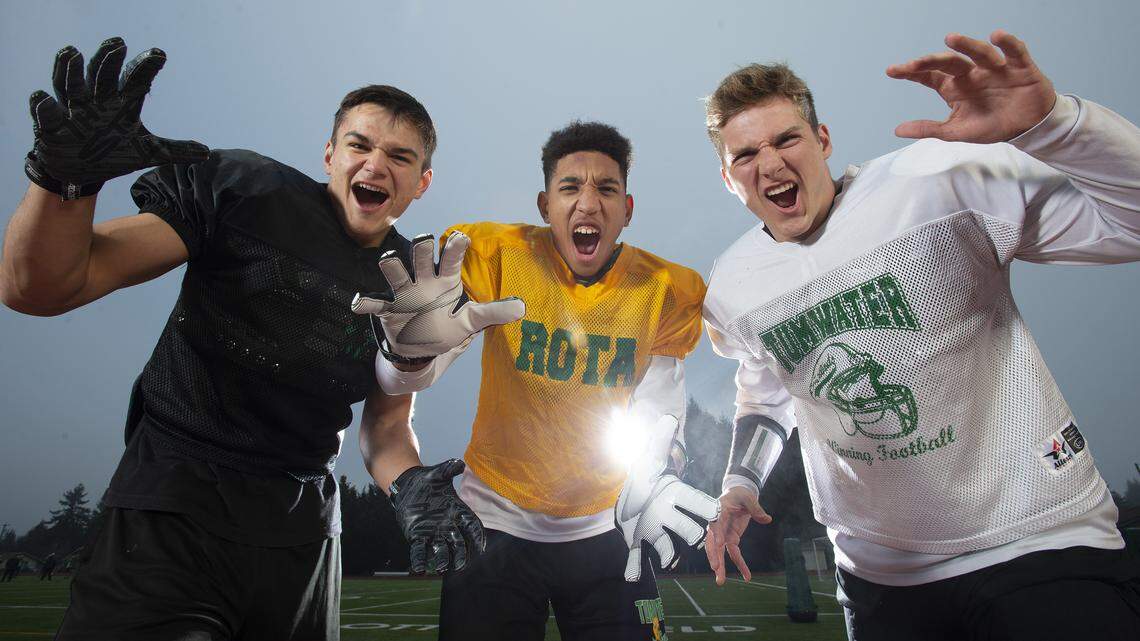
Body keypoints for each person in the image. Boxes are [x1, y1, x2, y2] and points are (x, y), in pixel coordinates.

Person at [0, 37, 515, 640]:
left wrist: (407, 483)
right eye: (360, 145)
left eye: (400, 157)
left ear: (422, 182)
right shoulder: (248, 193)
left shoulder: (414, 283)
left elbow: (385, 427)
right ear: (329, 155)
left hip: (301, 533)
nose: (376, 165)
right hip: (175, 506)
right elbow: (39, 288)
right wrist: (64, 182)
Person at [699, 30, 1140, 640]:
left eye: (786, 139)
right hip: (881, 582)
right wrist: (742, 482)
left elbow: (1131, 224)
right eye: (744, 156)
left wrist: (1054, 126)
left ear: (823, 141)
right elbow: (768, 384)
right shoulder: (733, 285)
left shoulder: (934, 182)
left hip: (1037, 541)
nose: (769, 164)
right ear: (728, 179)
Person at [356, 121, 720, 640]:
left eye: (606, 189)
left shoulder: (665, 288)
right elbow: (417, 371)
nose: (588, 204)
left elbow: (660, 407)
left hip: (609, 521)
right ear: (544, 205)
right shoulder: (500, 257)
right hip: (495, 521)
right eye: (570, 187)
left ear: (628, 210)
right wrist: (407, 354)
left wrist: (659, 473)